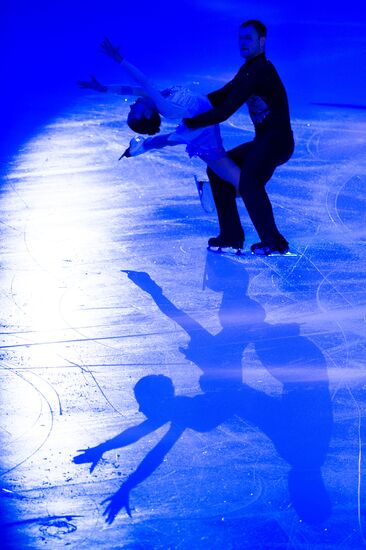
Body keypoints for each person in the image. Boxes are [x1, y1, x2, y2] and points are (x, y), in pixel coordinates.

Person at [183, 20, 295, 255]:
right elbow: (221, 96)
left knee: (249, 181)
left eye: (248, 38)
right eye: (240, 38)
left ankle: (274, 241)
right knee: (216, 172)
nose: (243, 42)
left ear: (261, 42)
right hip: (264, 141)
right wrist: (186, 104)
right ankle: (232, 235)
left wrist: (191, 122)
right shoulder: (247, 71)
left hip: (278, 141)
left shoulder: (261, 71)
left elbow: (224, 110)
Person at [79, 38, 241, 195]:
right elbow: (144, 82)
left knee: (168, 141)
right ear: (148, 114)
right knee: (240, 183)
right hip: (205, 136)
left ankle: (216, 190)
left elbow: (128, 89)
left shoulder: (158, 96)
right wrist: (119, 59)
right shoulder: (165, 106)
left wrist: (103, 89)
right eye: (134, 112)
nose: (131, 105)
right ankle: (217, 191)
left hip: (204, 123)